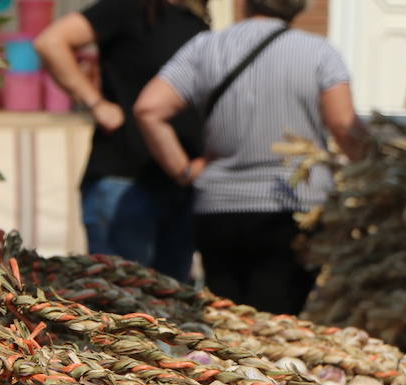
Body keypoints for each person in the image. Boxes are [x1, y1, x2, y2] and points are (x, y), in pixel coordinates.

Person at [134, 0, 370, 316]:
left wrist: (184, 171)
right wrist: (373, 173)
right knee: (278, 326)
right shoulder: (319, 52)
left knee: (227, 322)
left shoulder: (205, 47)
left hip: (218, 207)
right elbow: (343, 125)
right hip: (295, 208)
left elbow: (149, 109)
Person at [34, 0, 208, 282]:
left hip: (179, 188)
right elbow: (52, 42)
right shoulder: (132, 7)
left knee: (172, 312)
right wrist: (95, 102)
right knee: (120, 309)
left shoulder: (196, 22)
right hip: (124, 183)